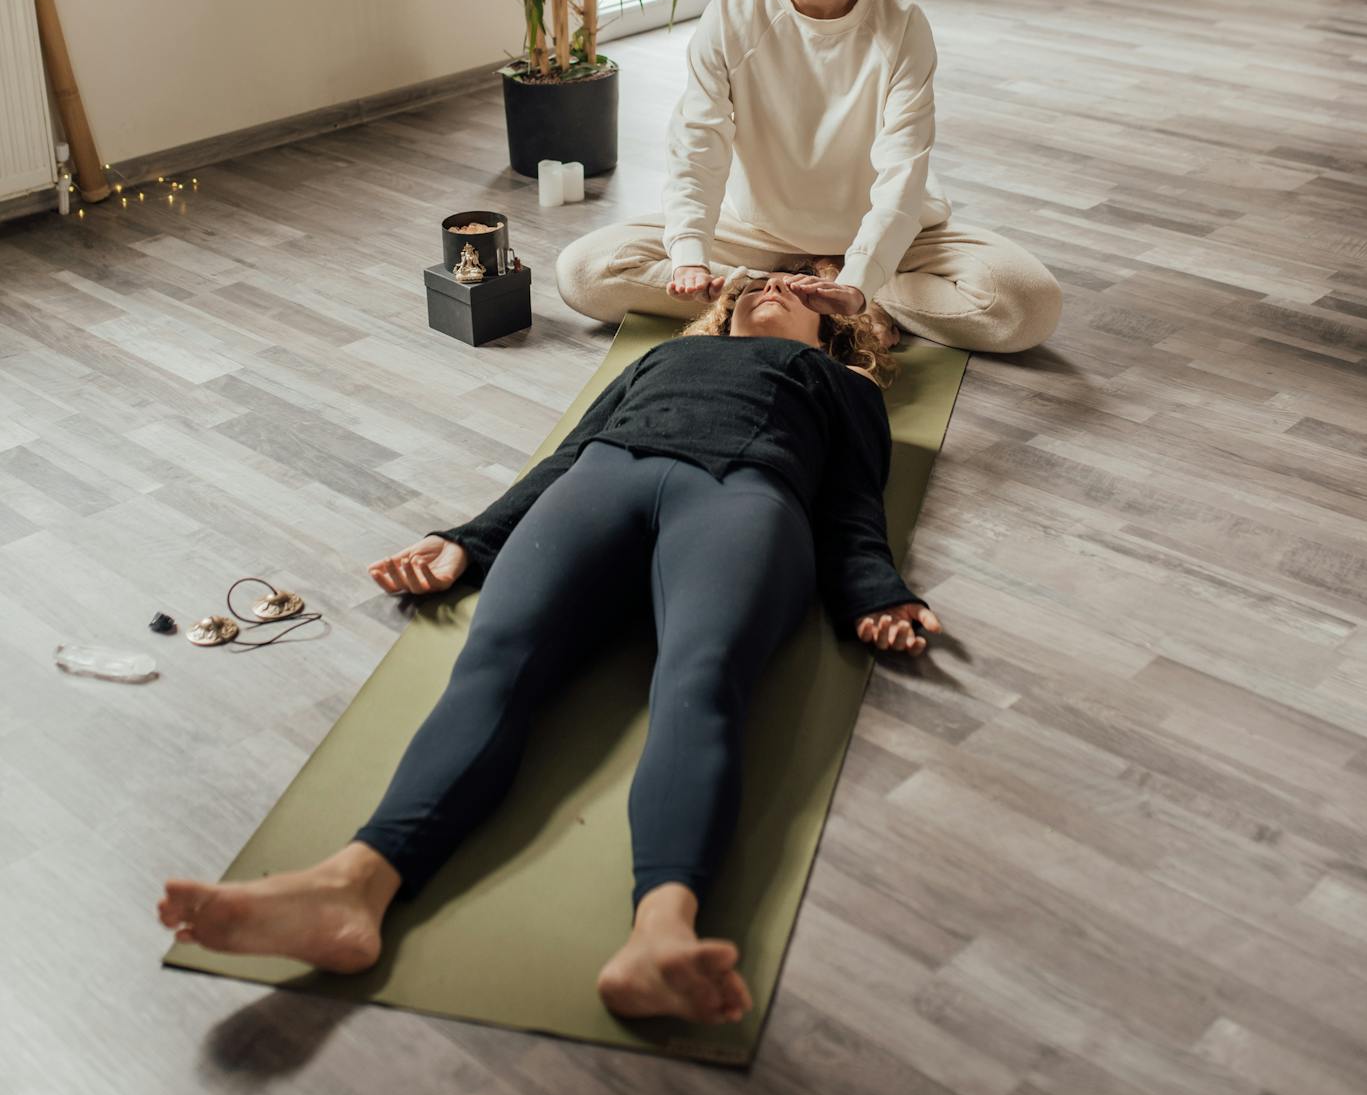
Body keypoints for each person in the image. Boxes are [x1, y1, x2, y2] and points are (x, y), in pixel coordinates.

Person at [156, 270, 943, 1029]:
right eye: (756, 285)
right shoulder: (667, 355)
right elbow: (566, 455)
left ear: (832, 328)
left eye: (795, 290)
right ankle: (350, 887)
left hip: (743, 497)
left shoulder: (845, 386)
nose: (772, 288)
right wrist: (467, 540)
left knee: (699, 680)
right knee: (493, 658)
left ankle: (660, 934)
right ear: (724, 310)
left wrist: (873, 593)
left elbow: (851, 506)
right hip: (602, 480)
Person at [556, 0, 1063, 354]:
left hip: (886, 235)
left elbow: (902, 171)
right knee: (584, 271)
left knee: (1025, 304)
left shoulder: (900, 24)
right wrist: (690, 256)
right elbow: (697, 146)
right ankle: (793, 291)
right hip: (756, 235)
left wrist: (858, 278)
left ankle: (842, 298)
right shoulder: (732, 14)